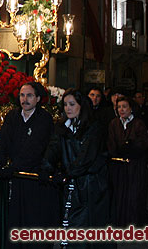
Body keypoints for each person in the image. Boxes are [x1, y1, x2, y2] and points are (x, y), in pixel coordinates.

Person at [0, 81, 59, 248]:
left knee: (34, 222)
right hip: (18, 179)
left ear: (38, 99)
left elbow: (35, 148)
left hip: (35, 177)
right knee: (16, 222)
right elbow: (2, 141)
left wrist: (13, 167)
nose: (25, 99)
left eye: (29, 95)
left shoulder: (44, 119)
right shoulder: (12, 116)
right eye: (22, 95)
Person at [43, 89, 110, 248]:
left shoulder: (94, 128)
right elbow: (52, 150)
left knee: (88, 229)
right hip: (72, 185)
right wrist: (45, 169)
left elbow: (86, 158)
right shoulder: (63, 127)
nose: (68, 108)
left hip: (91, 186)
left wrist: (66, 173)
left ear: (82, 105)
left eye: (72, 104)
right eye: (65, 105)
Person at [107, 96, 148, 226]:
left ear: (131, 108)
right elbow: (111, 143)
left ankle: (134, 221)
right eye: (119, 107)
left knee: (134, 194)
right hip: (119, 165)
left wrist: (129, 147)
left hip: (135, 165)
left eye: (124, 107)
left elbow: (143, 142)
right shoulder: (114, 123)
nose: (121, 109)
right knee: (119, 194)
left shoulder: (138, 123)